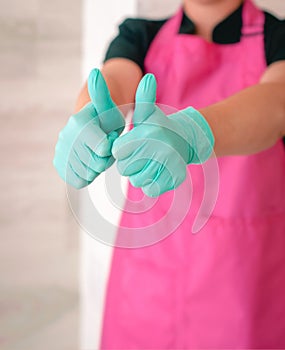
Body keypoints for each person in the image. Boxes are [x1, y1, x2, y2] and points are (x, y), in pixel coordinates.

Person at [53, 0, 285, 348]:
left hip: (242, 287)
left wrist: (194, 133)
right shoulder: (139, 34)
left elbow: (277, 101)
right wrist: (92, 116)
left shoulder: (277, 38)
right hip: (147, 287)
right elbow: (115, 78)